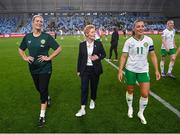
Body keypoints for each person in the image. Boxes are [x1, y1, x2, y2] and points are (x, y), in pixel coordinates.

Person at [18, 15, 62, 127]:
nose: (39, 23)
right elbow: (20, 49)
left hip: (45, 68)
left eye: (41, 21)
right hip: (33, 68)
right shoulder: (27, 37)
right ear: (32, 23)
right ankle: (47, 97)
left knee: (42, 90)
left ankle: (42, 116)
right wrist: (25, 57)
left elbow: (59, 48)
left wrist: (49, 57)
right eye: (37, 21)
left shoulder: (46, 37)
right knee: (39, 88)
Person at [118, 20, 161, 125]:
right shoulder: (129, 41)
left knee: (145, 94)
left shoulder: (149, 40)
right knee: (130, 90)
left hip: (143, 70)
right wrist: (120, 69)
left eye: (142, 26)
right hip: (130, 70)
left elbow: (153, 55)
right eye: (138, 26)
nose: (141, 28)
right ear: (134, 28)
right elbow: (124, 56)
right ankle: (130, 107)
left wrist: (156, 70)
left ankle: (140, 113)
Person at [76, 24, 106, 117]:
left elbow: (103, 54)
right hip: (85, 70)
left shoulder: (98, 43)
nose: (95, 33)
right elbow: (80, 58)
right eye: (92, 32)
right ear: (87, 34)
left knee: (94, 87)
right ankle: (82, 108)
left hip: (95, 69)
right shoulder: (81, 45)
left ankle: (93, 100)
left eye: (94, 31)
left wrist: (98, 56)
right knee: (84, 88)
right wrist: (78, 70)